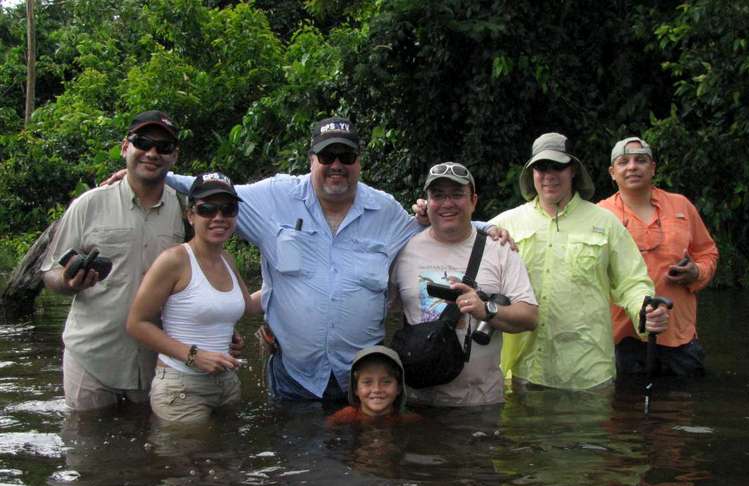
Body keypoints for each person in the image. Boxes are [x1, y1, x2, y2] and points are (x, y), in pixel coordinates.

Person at [157, 117, 505, 404]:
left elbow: (434, 223)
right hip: (293, 377)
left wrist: (488, 227)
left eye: (346, 155)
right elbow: (205, 190)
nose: (336, 165)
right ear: (311, 160)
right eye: (327, 156)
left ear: (358, 161)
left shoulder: (384, 210)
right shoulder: (272, 197)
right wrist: (151, 178)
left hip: (362, 383)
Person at [489, 133, 669, 391]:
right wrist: (425, 220)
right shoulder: (503, 224)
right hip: (518, 373)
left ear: (573, 170)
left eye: (558, 166)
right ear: (531, 173)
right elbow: (460, 248)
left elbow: (633, 283)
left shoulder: (606, 223)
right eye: (541, 167)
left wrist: (646, 311)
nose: (549, 175)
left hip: (587, 376)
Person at [41, 111, 187, 410]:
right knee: (86, 449)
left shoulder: (185, 209)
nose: (152, 153)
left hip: (156, 359)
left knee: (155, 452)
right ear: (125, 147)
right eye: (143, 143)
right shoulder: (89, 204)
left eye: (163, 147)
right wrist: (69, 281)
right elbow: (50, 272)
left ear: (174, 157)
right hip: (92, 356)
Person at [391, 162, 539, 406]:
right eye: (438, 195)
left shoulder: (500, 249)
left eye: (457, 194)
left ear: (473, 200)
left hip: (481, 404)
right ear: (427, 203)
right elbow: (380, 311)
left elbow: (530, 317)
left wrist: (487, 310)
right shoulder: (404, 249)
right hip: (417, 405)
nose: (447, 203)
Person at [126, 173, 262, 423]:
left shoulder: (228, 260)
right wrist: (193, 355)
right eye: (207, 209)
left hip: (227, 382)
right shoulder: (174, 260)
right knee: (189, 457)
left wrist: (293, 280)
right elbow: (136, 323)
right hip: (181, 387)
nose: (218, 217)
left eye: (228, 209)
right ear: (190, 216)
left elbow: (250, 305)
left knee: (228, 458)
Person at [598, 137, 719, 376]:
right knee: (622, 410)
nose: (632, 167)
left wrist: (696, 272)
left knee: (681, 408)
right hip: (621, 336)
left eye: (640, 160)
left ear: (652, 168)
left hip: (679, 335)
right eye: (623, 162)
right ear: (613, 172)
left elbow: (707, 252)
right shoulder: (599, 214)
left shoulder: (681, 205)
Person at [325, 346, 419, 426]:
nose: (377, 389)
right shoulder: (346, 416)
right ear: (355, 389)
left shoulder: (408, 419)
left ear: (399, 388)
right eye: (367, 382)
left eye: (386, 382)